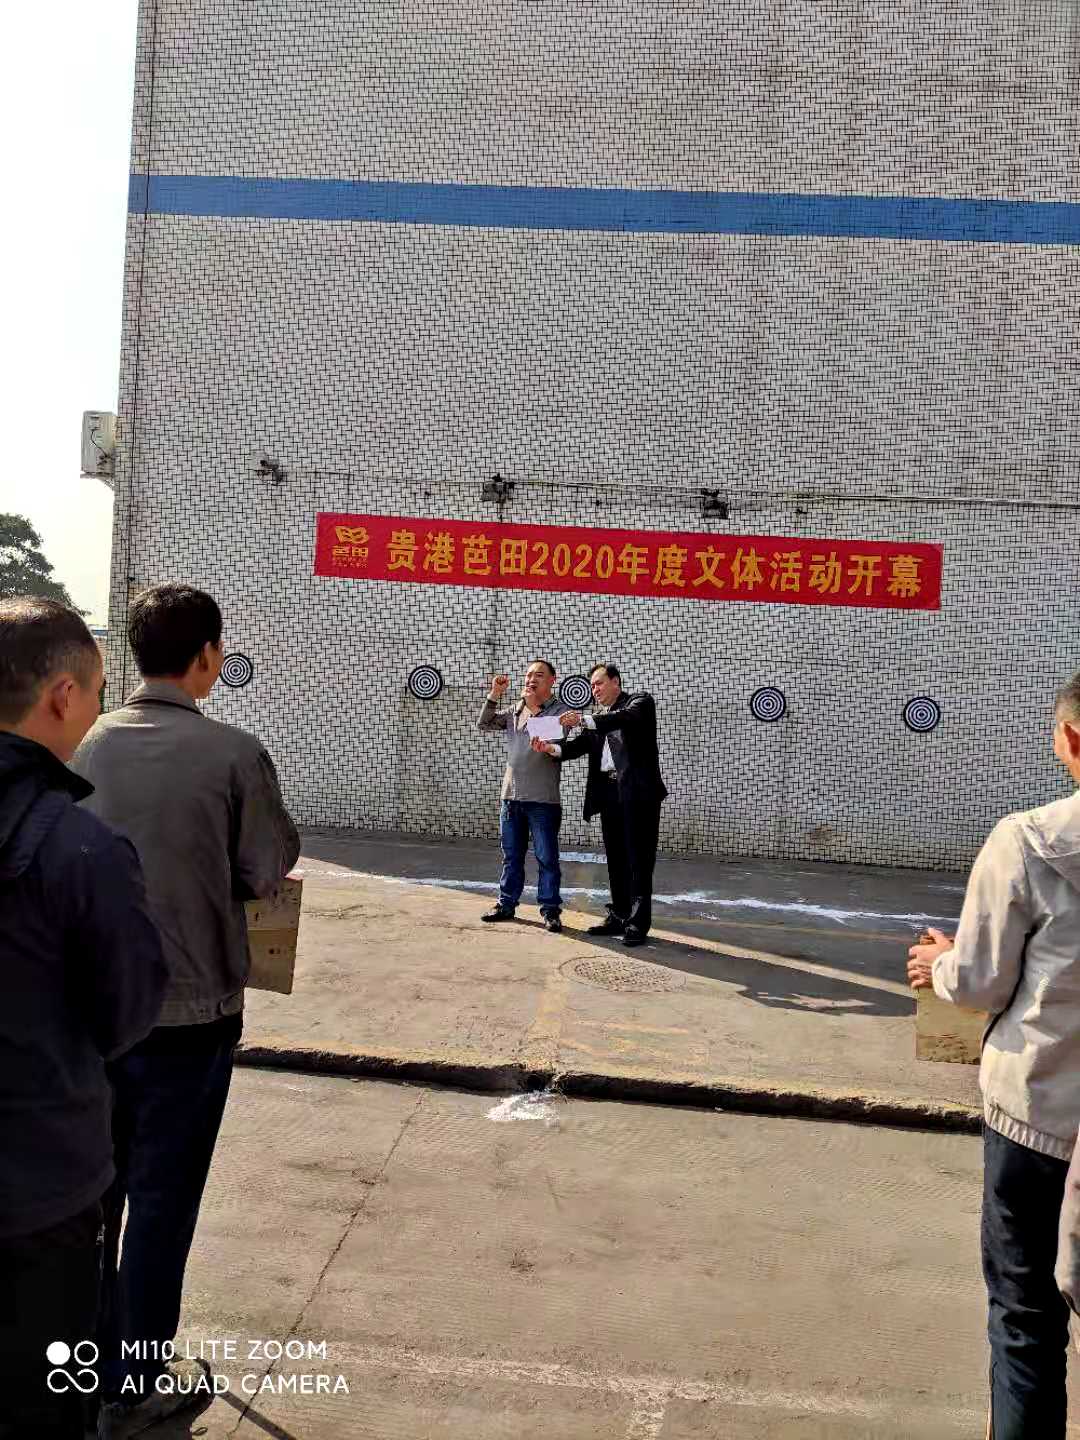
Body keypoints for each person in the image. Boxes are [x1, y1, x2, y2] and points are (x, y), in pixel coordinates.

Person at [71, 583, 300, 1430]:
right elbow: (266, 866)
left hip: (90, 1016)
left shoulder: (81, 744)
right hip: (190, 1018)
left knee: (94, 1201)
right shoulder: (232, 754)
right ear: (207, 657)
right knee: (162, 1207)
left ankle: (86, 1372)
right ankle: (135, 1385)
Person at [0, 598, 167, 1439]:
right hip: (38, 1195)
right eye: (99, 691)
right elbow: (127, 1013)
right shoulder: (84, 850)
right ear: (62, 697)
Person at [907, 670, 1080, 1440]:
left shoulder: (1031, 840)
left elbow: (980, 981)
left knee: (1026, 1319)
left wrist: (939, 962)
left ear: (1070, 738)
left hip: (1040, 1119)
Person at [534, 663, 667, 947]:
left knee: (639, 861)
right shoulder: (599, 718)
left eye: (599, 683)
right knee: (616, 859)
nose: (595, 690)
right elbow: (577, 746)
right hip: (609, 794)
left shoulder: (639, 703)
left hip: (638, 796)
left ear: (615, 682)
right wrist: (550, 748)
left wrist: (583, 719)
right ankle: (619, 915)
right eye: (592, 685)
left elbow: (624, 719)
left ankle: (637, 923)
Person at [477, 660, 567, 933]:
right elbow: (484, 723)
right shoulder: (515, 709)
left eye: (538, 675)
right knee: (511, 856)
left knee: (547, 858)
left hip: (542, 800)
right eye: (528, 675)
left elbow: (553, 740)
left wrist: (534, 708)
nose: (531, 680)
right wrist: (495, 694)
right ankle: (506, 904)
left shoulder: (559, 711)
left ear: (552, 680)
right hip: (511, 796)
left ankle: (550, 910)